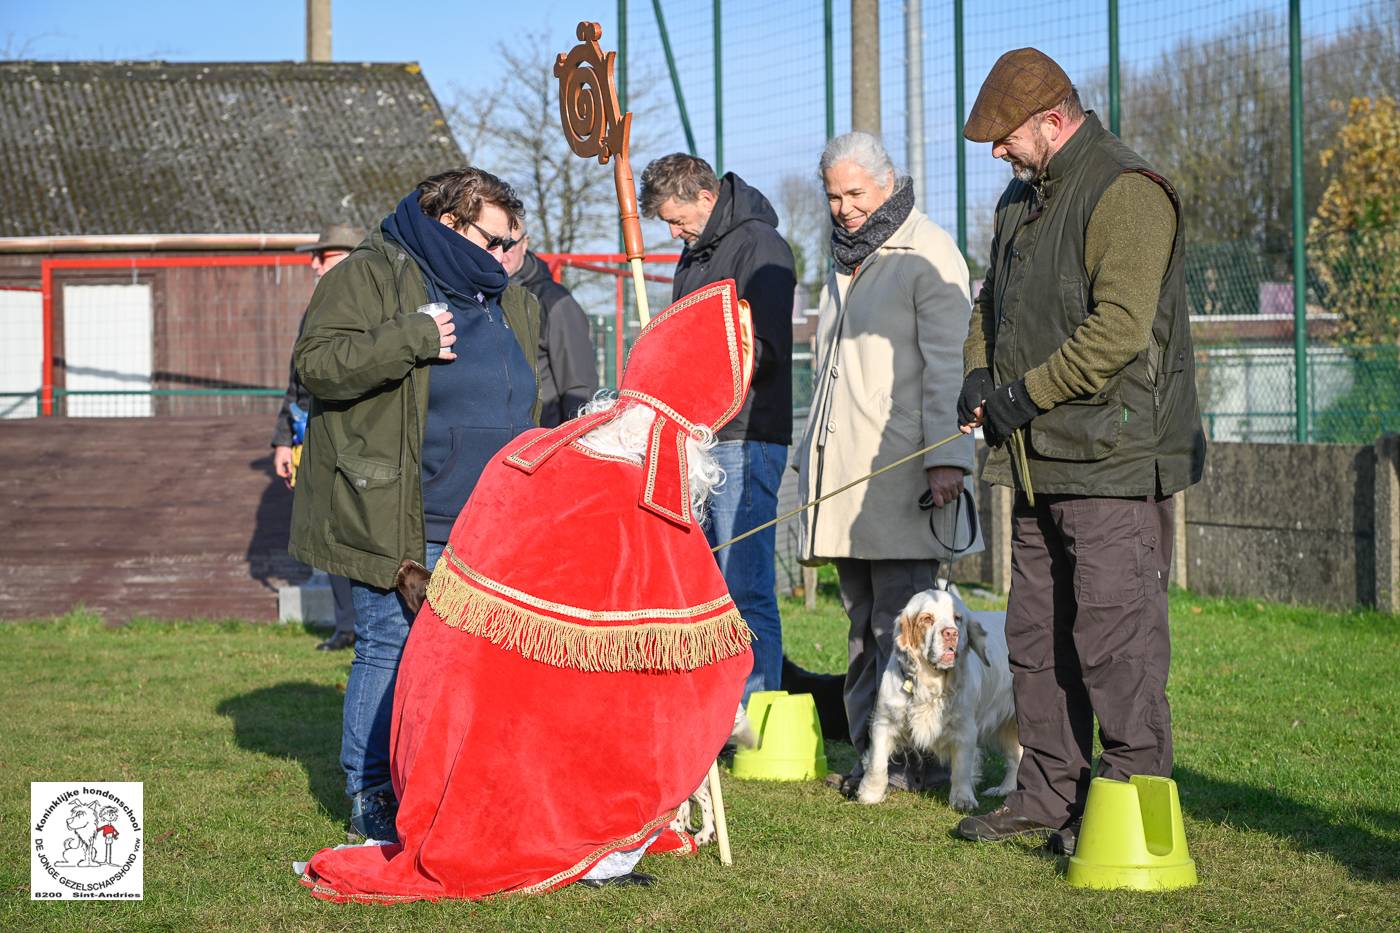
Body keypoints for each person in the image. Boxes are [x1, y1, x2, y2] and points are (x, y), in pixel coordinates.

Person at [298, 280, 756, 902]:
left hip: (455, 727)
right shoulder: (639, 494)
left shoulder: (543, 448)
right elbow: (696, 640)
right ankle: (600, 836)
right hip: (532, 733)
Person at [952, 49, 1205, 855]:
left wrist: (1025, 393)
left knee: (1113, 636)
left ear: (1054, 120)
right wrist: (979, 374)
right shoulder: (1018, 204)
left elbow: (1120, 330)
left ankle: (1130, 803)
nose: (998, 153)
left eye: (1006, 138)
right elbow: (988, 303)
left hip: (1114, 457)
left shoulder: (1128, 191)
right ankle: (1047, 794)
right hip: (1036, 459)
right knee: (1035, 636)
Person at [289, 168, 542, 844]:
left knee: (475, 660)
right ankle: (371, 794)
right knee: (389, 647)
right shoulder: (370, 275)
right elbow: (315, 365)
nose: (504, 255)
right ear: (450, 223)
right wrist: (410, 338)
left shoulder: (509, 299)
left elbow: (526, 396)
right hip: (396, 507)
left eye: (513, 241)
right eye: (494, 239)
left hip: (492, 517)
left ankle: (454, 782)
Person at [795, 131, 981, 797]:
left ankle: (914, 757)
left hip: (906, 470)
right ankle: (873, 753)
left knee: (901, 624)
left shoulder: (927, 251)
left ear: (889, 182)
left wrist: (949, 457)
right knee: (860, 617)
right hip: (846, 475)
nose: (843, 208)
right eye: (834, 195)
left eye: (856, 194)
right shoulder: (844, 256)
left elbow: (949, 367)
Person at [639, 153, 796, 700]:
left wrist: (694, 368)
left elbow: (765, 347)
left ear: (705, 197)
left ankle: (756, 708)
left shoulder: (760, 246)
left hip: (744, 434)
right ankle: (712, 706)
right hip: (696, 434)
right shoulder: (693, 254)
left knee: (744, 581)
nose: (673, 232)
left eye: (677, 220)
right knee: (704, 583)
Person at [271, 223, 362, 651]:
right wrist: (282, 440)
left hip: (352, 440)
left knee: (355, 532)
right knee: (329, 534)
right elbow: (297, 380)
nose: (314, 264)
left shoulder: (368, 306)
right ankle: (347, 626)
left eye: (322, 257)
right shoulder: (315, 308)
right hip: (310, 435)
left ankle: (369, 629)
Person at [501, 227, 600, 426]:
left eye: (507, 245)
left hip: (541, 434)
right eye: (491, 243)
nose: (500, 254)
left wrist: (572, 442)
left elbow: (579, 386)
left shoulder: (555, 302)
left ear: (525, 242)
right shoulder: (479, 295)